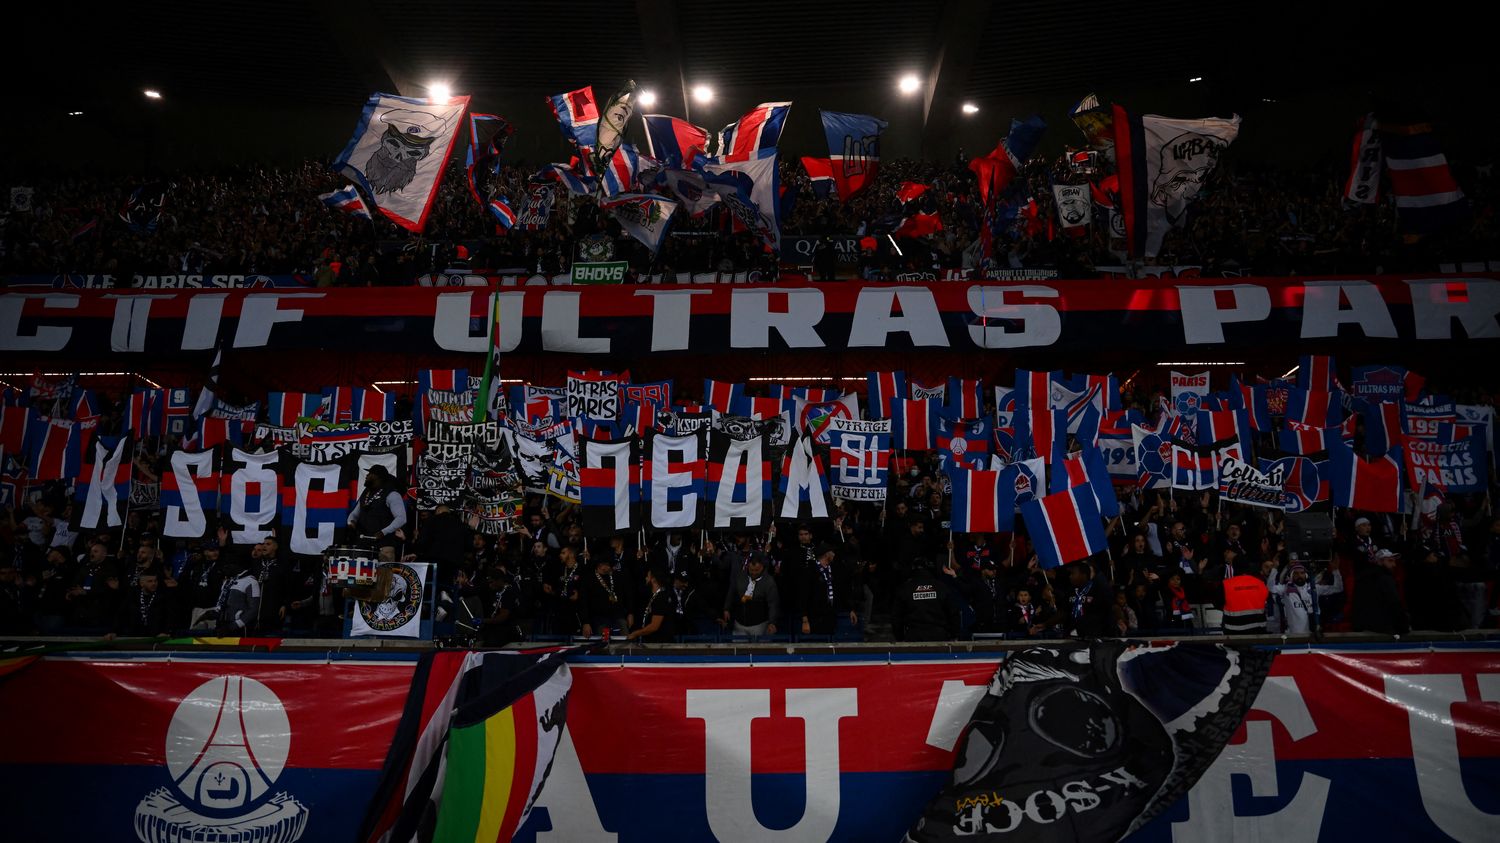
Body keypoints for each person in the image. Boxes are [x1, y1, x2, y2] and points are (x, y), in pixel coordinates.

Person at [893, 557, 960, 641]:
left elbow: (896, 617)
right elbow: (953, 613)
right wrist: (954, 635)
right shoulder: (941, 587)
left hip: (914, 636)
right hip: (939, 636)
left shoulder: (905, 588)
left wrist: (900, 638)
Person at [800, 542, 857, 636]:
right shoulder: (810, 571)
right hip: (814, 617)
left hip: (830, 615)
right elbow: (803, 596)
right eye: (832, 552)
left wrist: (850, 609)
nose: (834, 554)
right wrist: (805, 620)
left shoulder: (834, 569)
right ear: (826, 554)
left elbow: (841, 591)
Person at [347, 465, 407, 552]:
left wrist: (383, 532)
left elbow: (401, 518)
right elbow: (354, 514)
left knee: (383, 565)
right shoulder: (366, 493)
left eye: (370, 473)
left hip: (384, 545)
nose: (367, 475)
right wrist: (351, 522)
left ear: (378, 477)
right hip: (363, 544)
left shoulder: (392, 494)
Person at [1352, 549, 1410, 635]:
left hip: (1364, 626)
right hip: (1383, 628)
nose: (1394, 565)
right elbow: (1394, 603)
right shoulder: (1385, 578)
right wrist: (1404, 627)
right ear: (1379, 561)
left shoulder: (1362, 577)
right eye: (1390, 561)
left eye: (1394, 561)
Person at [723, 551, 779, 637]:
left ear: (762, 567)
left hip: (760, 625)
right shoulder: (740, 577)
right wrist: (727, 608)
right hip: (739, 624)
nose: (753, 573)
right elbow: (731, 592)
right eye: (751, 570)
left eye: (756, 570)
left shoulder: (769, 582)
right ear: (748, 566)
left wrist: (772, 622)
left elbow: (773, 604)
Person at [1278, 563, 1343, 635]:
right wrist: (1278, 568)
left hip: (1312, 633)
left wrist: (1335, 570)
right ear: (1292, 576)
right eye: (1296, 573)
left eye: (1302, 573)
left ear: (1306, 575)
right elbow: (1270, 588)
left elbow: (1338, 588)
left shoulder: (1314, 588)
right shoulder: (1286, 589)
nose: (1299, 575)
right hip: (1293, 634)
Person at [113, 571, 175, 638]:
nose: (154, 583)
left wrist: (165, 632)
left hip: (156, 637)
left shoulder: (162, 598)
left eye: (155, 581)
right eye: (150, 581)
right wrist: (114, 632)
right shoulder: (132, 597)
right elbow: (121, 615)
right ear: (141, 583)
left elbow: (169, 617)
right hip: (134, 636)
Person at [1065, 560, 1115, 638]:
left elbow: (1107, 608)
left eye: (1090, 570)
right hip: (1076, 634)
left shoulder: (1100, 588)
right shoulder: (1072, 589)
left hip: (1096, 635)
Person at [626, 566, 676, 643]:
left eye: (648, 576)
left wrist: (635, 633)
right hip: (654, 642)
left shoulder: (661, 598)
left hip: (660, 645)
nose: (646, 578)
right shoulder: (655, 596)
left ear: (654, 580)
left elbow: (654, 626)